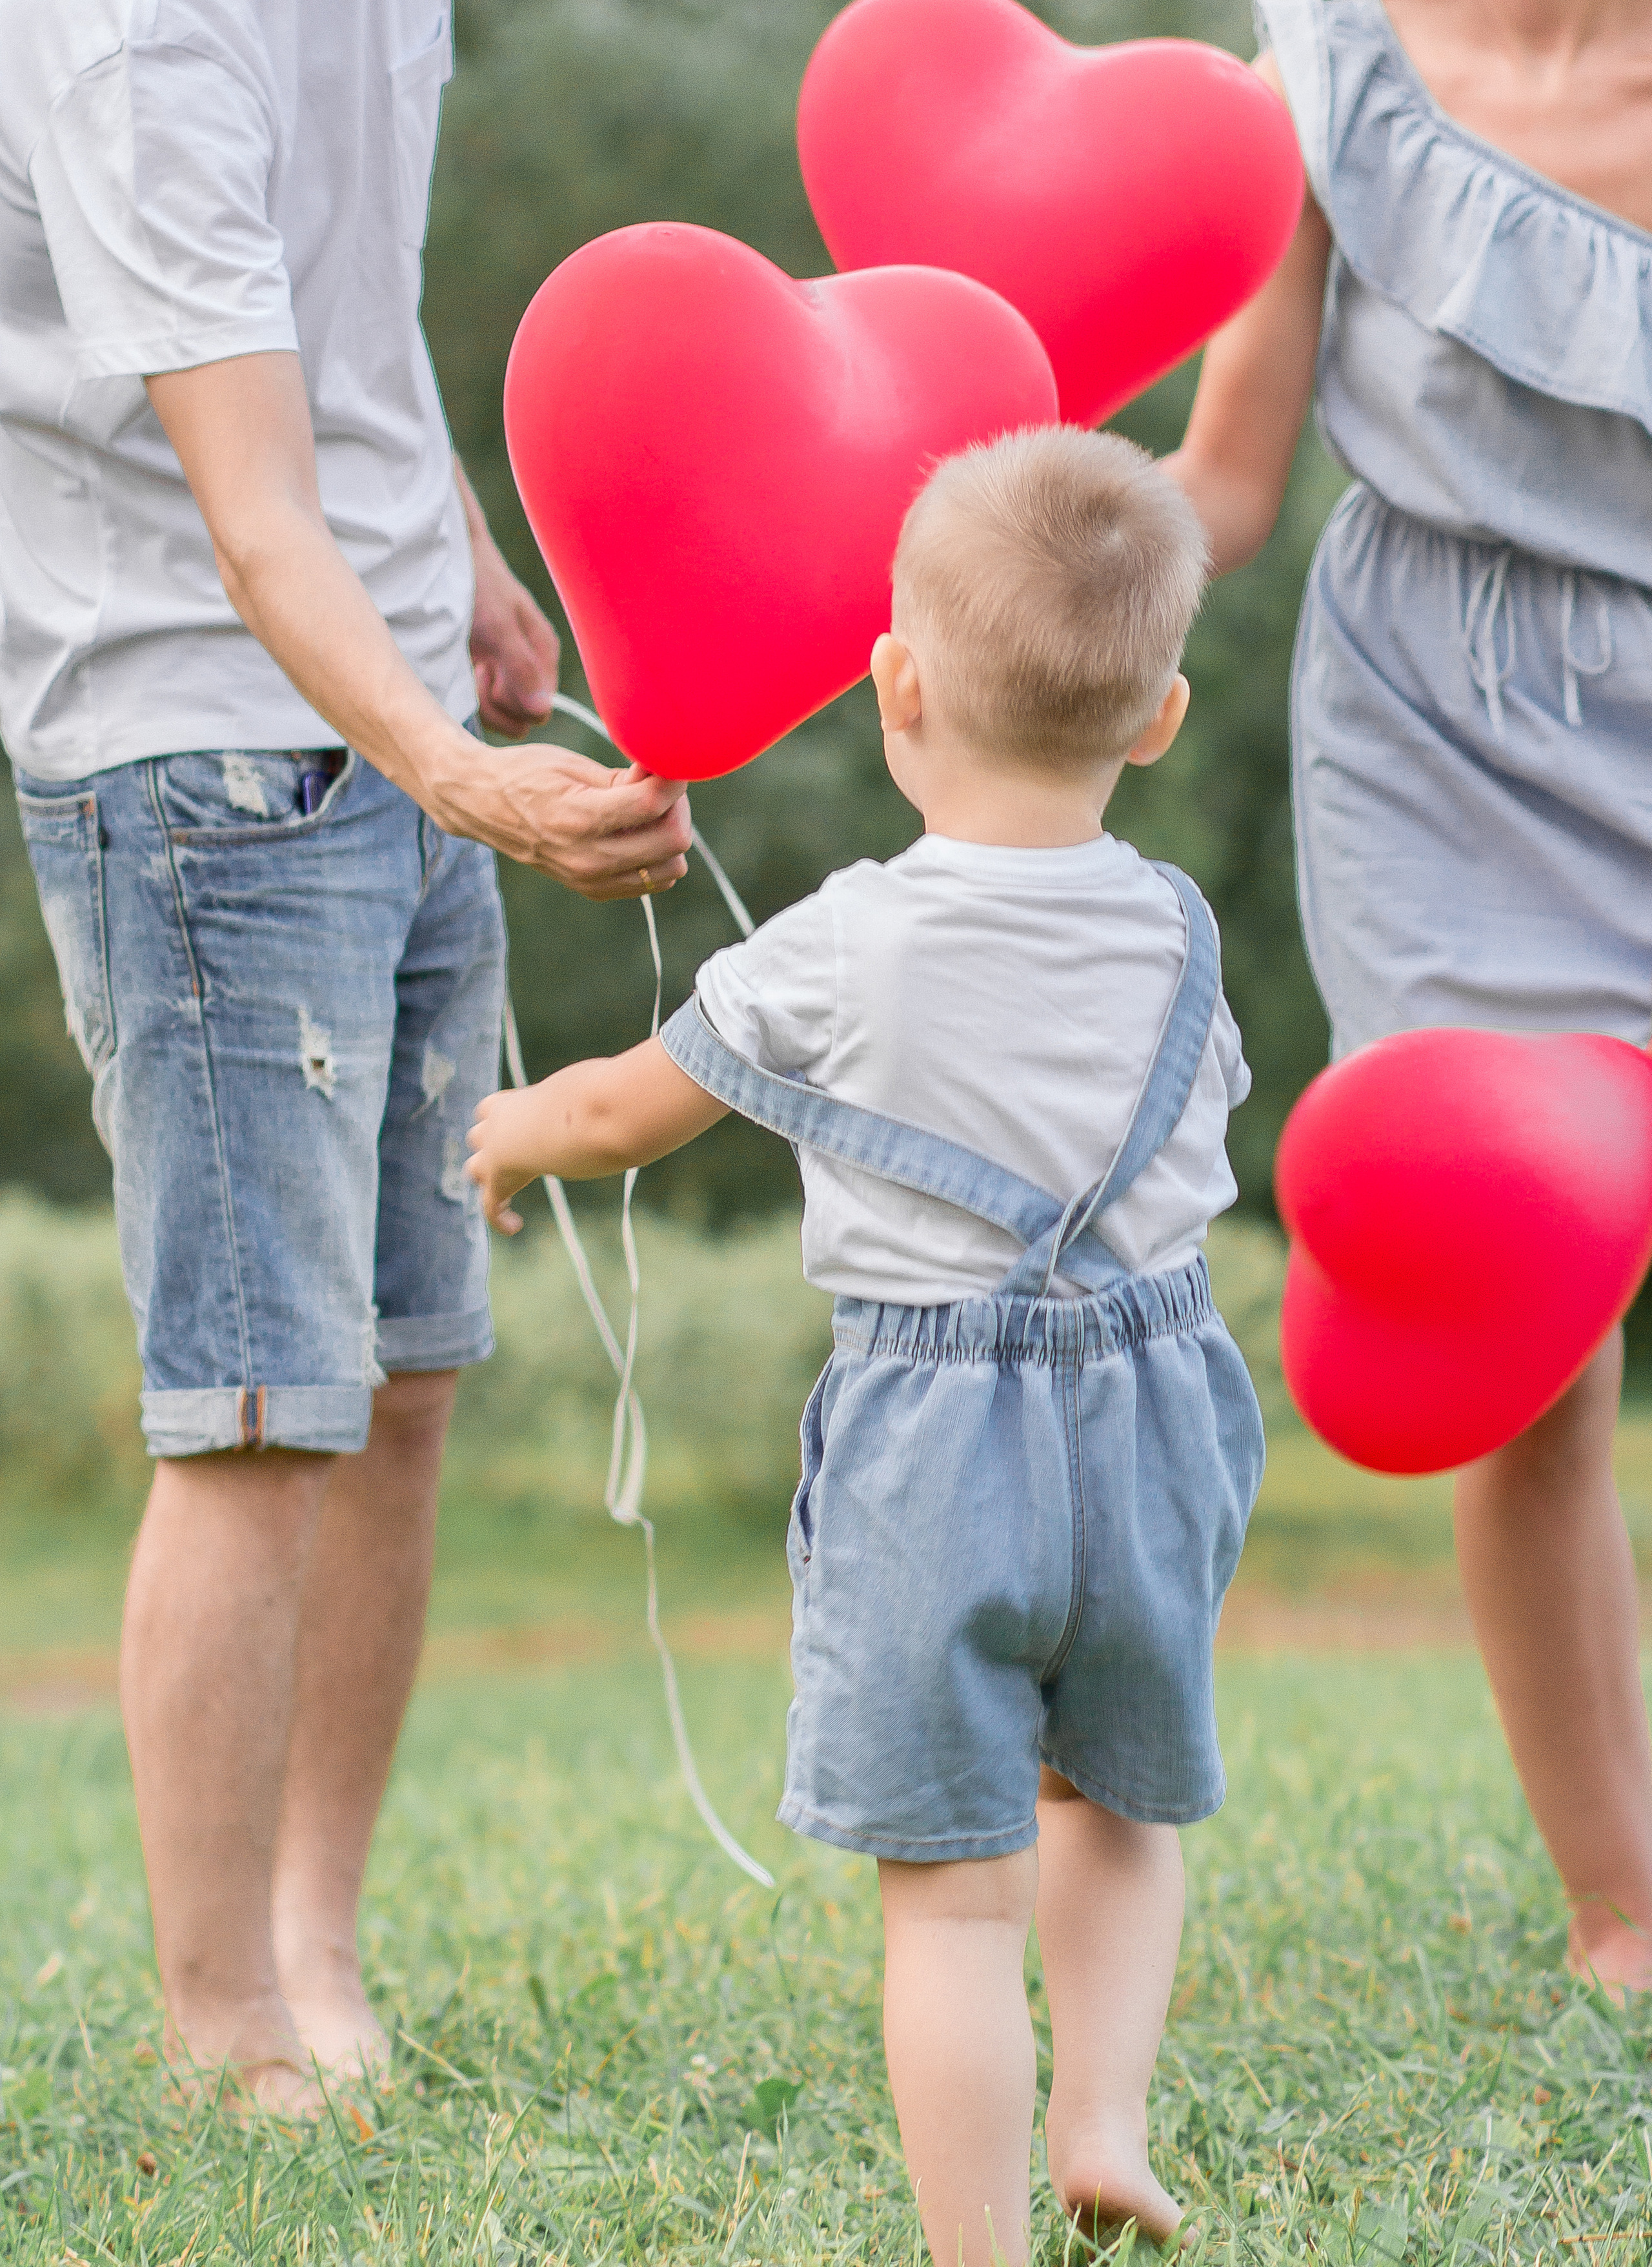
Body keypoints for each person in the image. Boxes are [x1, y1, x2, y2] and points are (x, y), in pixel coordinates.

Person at [467, 427, 1265, 2264]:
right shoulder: (1182, 934)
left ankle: (976, 2246)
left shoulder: (846, 945)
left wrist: (512, 1133)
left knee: (953, 1910)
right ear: (1158, 720)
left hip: (936, 1440)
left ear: (897, 684)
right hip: (1153, 1412)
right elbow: (1198, 1150)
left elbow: (621, 1115)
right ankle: (1110, 2121)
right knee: (1121, 1806)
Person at [1, 2, 692, 2109]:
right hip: (202, 753)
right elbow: (244, 512)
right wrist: (469, 778)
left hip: (383, 708)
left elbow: (342, 328)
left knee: (401, 1382)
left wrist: (466, 558)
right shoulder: (132, 40)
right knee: (256, 1406)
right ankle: (227, 2029)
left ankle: (319, 1941)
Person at [1165, 0, 1652, 1993]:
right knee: (1522, 1325)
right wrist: (1004, 573)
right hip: (1437, 749)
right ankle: (1622, 1907)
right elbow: (1224, 484)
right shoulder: (1324, 73)